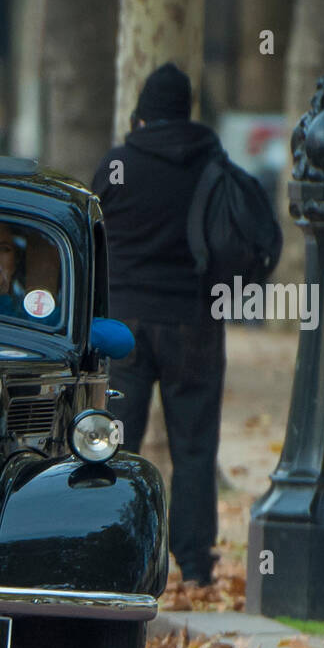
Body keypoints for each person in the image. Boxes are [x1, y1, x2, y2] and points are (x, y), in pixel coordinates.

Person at [91, 62, 225, 587]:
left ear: (142, 114)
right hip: (192, 322)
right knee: (194, 446)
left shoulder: (117, 164)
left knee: (116, 442)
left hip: (124, 325)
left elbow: (92, 237)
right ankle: (194, 564)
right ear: (185, 111)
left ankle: (115, 554)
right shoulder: (209, 162)